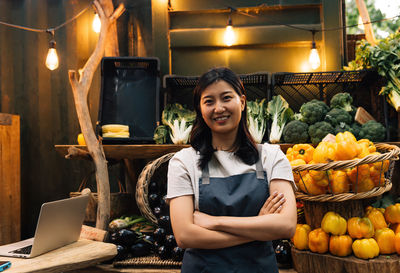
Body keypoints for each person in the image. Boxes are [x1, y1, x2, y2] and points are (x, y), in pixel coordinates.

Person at [166, 67, 297, 273]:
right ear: (200, 109)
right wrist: (260, 225)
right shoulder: (183, 161)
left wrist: (215, 222)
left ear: (242, 102)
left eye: (226, 98)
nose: (218, 108)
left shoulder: (271, 156)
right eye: (209, 101)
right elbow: (185, 236)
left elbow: (287, 225)